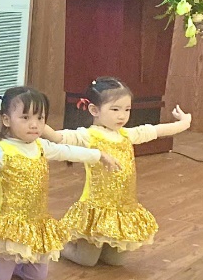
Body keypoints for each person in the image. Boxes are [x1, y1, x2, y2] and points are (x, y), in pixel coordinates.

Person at [0, 86, 116, 280]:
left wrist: (98, 155)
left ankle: (9, 264)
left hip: (36, 224)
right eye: (25, 118)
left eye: (40, 118)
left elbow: (67, 151)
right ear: (7, 120)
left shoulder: (41, 146)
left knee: (35, 278)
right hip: (9, 227)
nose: (34, 124)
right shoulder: (0, 150)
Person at [44, 77, 193, 267]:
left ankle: (99, 249)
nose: (122, 116)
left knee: (115, 261)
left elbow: (157, 130)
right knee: (86, 260)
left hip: (122, 208)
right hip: (97, 207)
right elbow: (58, 137)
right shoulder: (88, 135)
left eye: (127, 109)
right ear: (94, 110)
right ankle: (56, 242)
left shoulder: (127, 135)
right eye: (115, 109)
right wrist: (37, 124)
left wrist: (184, 122)